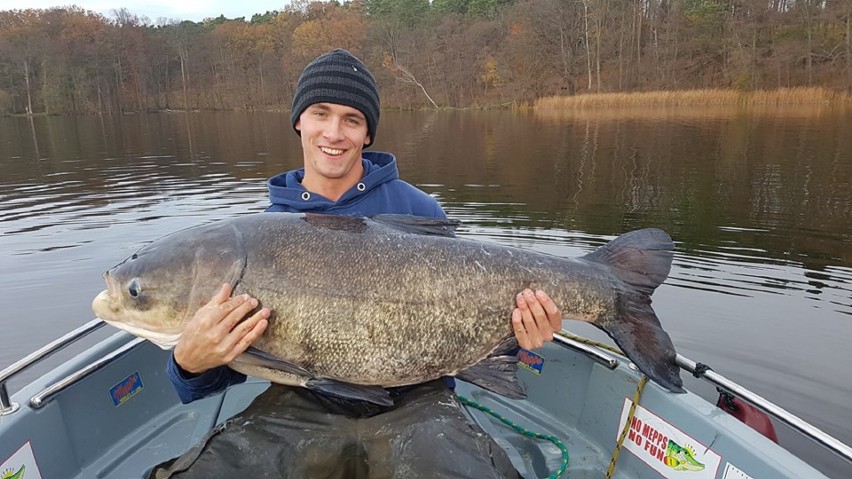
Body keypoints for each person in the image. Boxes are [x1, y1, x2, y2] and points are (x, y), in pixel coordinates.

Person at [151, 49, 562, 478]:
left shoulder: (419, 210)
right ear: (299, 121)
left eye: (352, 119)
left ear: (367, 134)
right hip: (300, 400)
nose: (334, 132)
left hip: (418, 398)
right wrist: (189, 363)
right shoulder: (260, 235)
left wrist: (518, 335)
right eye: (320, 113)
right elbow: (219, 373)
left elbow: (464, 314)